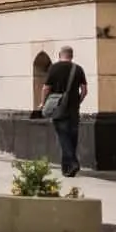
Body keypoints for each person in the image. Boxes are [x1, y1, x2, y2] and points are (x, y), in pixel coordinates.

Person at [40, 46, 88, 177]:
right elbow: (84, 90)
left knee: (63, 136)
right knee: (72, 137)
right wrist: (78, 102)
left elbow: (46, 88)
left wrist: (43, 103)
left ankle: (72, 163)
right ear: (71, 55)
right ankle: (66, 168)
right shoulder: (78, 69)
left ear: (60, 54)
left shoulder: (54, 68)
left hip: (58, 108)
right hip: (73, 109)